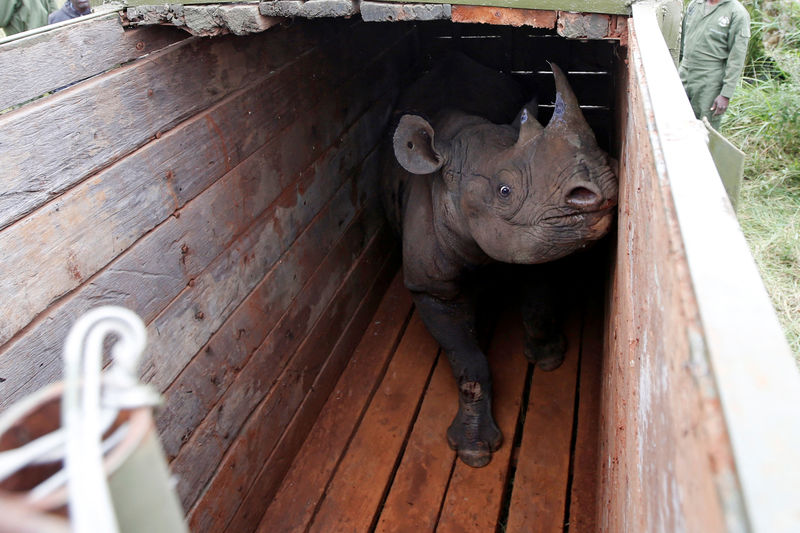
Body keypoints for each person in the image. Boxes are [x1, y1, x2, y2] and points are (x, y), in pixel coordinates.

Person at [679, 0, 751, 130]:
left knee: (706, 129)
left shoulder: (737, 13)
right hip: (684, 72)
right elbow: (683, 40)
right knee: (677, 121)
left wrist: (725, 94)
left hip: (710, 81)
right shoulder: (695, 5)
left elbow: (736, 58)